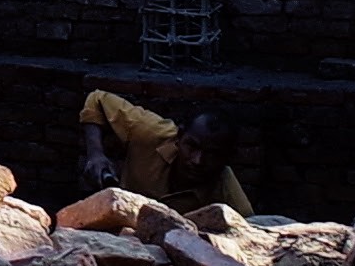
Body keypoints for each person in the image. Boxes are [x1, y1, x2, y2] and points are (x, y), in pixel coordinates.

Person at [82, 86, 251, 213]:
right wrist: (95, 153)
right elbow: (97, 99)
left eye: (212, 154)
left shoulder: (227, 191)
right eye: (192, 146)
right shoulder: (150, 131)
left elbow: (251, 232)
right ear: (179, 137)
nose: (197, 160)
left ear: (227, 158)